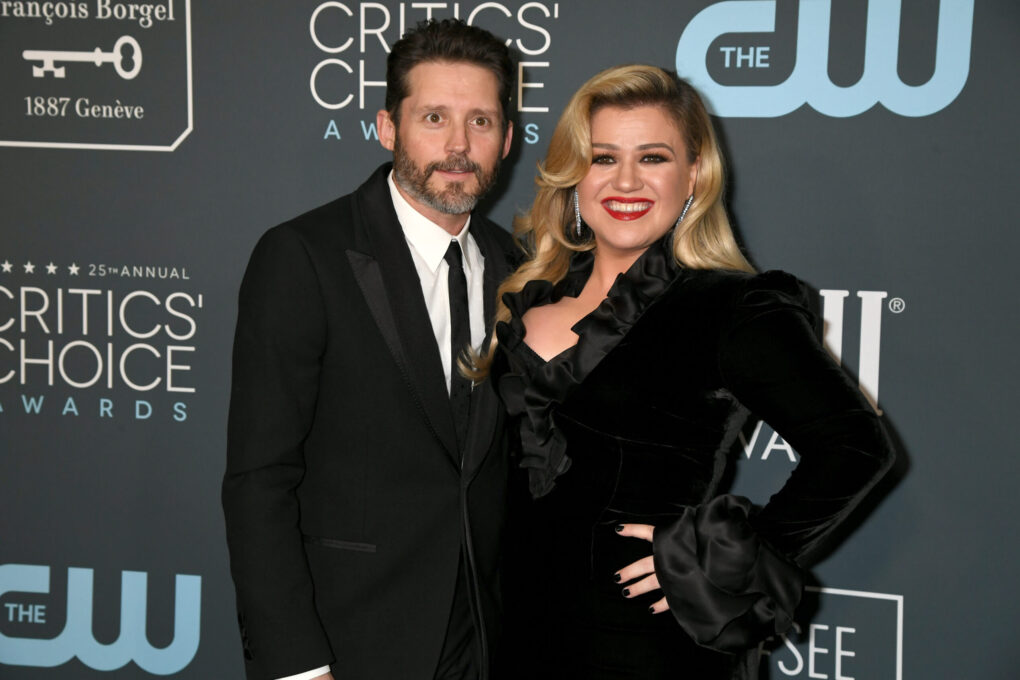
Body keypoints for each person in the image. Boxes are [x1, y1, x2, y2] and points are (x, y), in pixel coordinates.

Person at [475, 65, 896, 679]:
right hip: (517, 641)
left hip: (649, 649)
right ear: (574, 174)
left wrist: (722, 555)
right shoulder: (527, 298)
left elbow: (855, 446)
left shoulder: (731, 308)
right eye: (602, 158)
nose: (625, 181)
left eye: (652, 157)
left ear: (694, 173)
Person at [222, 19, 517, 680]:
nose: (458, 146)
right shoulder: (304, 256)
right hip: (353, 639)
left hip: (485, 640)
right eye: (434, 117)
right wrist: (295, 663)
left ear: (507, 138)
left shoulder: (516, 267)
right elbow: (259, 479)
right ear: (388, 129)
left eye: (481, 121)